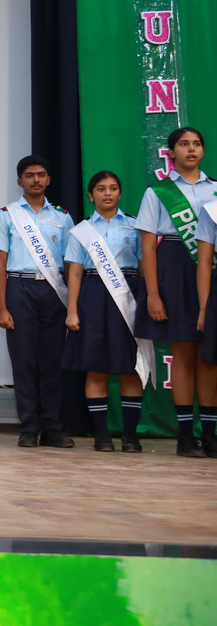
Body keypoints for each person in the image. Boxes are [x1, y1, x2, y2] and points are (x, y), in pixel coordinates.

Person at [135, 127, 216, 458]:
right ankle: (185, 436)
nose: (191, 149)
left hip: (211, 271)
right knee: (183, 355)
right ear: (172, 152)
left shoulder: (215, 190)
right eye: (184, 144)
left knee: (210, 359)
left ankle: (209, 434)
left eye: (196, 144)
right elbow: (146, 247)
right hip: (173, 269)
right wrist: (153, 294)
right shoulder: (158, 192)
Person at [0, 154, 75, 449]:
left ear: (48, 179)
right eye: (29, 175)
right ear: (19, 181)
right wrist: (1, 306)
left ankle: (52, 426)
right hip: (19, 289)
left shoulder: (62, 217)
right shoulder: (6, 215)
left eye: (41, 175)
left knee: (52, 361)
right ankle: (28, 426)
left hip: (53, 292)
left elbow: (70, 263)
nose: (36, 180)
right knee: (24, 361)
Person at [64, 171, 145, 453]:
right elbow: (74, 273)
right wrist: (72, 310)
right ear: (91, 195)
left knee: (130, 368)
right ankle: (101, 436)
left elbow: (145, 267)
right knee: (95, 368)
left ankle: (131, 436)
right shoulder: (81, 230)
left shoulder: (135, 226)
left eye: (113, 189)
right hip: (93, 296)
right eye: (101, 189)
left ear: (120, 194)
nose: (107, 193)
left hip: (128, 295)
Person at [197, 192, 217, 457]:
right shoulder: (212, 210)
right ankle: (210, 436)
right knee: (212, 365)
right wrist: (203, 308)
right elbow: (203, 262)